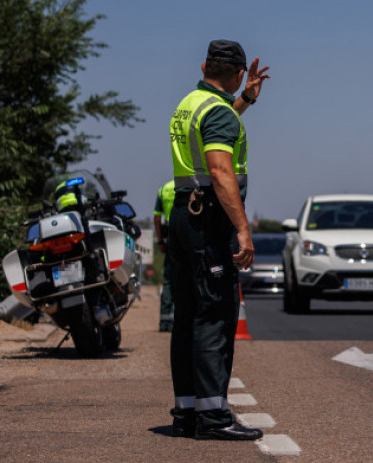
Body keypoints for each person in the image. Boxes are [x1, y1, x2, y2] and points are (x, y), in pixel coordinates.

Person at [168, 39, 269, 440]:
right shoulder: (218, 114)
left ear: (205, 64)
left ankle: (188, 414)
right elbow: (220, 171)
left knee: (189, 318)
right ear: (240, 71)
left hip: (183, 217)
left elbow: (215, 124)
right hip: (209, 222)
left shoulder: (191, 103)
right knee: (215, 317)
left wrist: (245, 100)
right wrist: (243, 229)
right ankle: (214, 419)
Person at [153, 179, 176, 332]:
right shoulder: (189, 185)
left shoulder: (163, 189)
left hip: (168, 234)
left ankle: (165, 322)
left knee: (168, 280)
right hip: (184, 233)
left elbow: (157, 218)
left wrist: (160, 240)